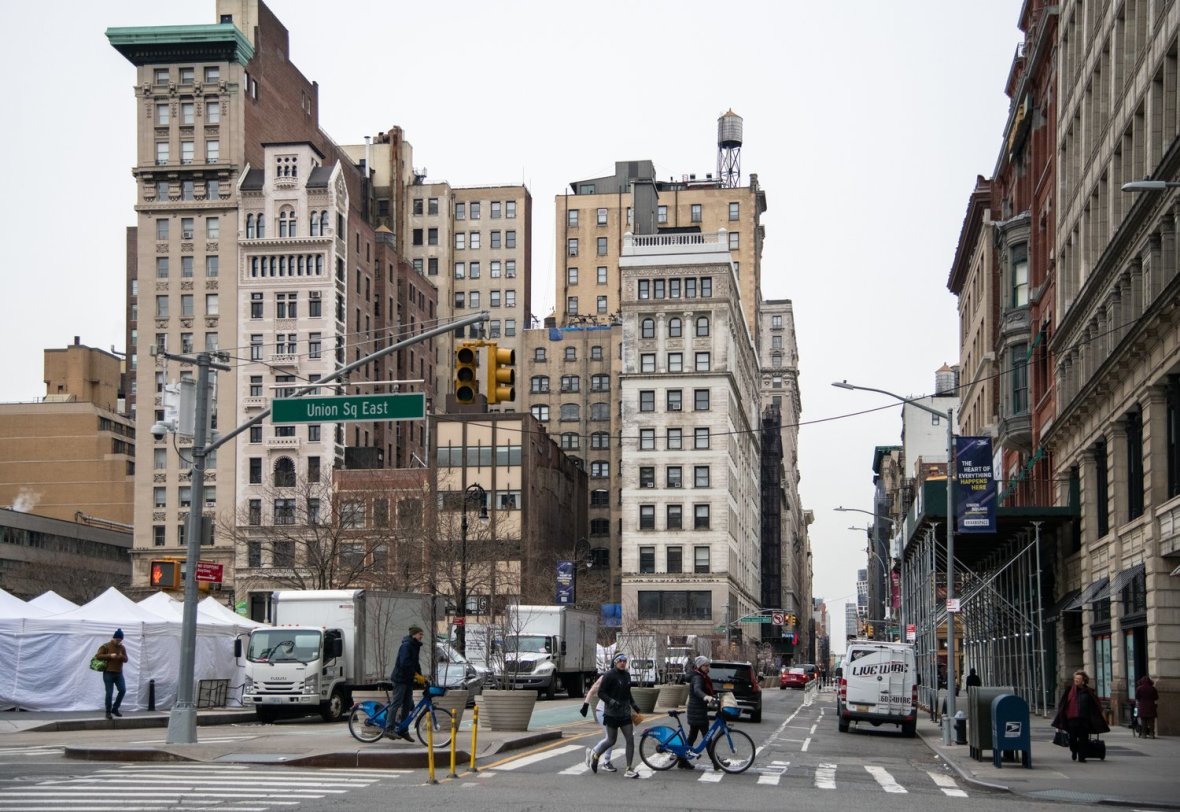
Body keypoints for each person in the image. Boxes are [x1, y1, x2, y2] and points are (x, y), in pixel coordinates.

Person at [586, 653, 640, 778]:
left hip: (625, 714)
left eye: (625, 661)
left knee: (630, 739)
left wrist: (634, 705)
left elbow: (628, 693)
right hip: (612, 714)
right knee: (611, 740)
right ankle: (596, 755)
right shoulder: (609, 675)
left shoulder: (627, 675)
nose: (623, 663)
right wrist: (611, 701)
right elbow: (601, 693)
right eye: (620, 660)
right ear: (615, 662)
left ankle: (629, 769)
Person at [1051, 670, 1110, 762]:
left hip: (1084, 719)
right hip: (1072, 719)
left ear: (1083, 680)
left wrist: (1096, 717)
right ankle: (1074, 750)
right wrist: (1061, 716)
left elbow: (1095, 705)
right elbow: (1063, 704)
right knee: (1073, 739)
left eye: (1078, 679)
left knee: (1084, 739)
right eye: (1075, 678)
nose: (1076, 680)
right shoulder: (1069, 690)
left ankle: (1082, 757)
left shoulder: (1088, 692)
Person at [384, 625, 424, 741]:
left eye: (422, 634)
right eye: (420, 634)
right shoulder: (406, 646)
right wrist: (415, 675)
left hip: (408, 680)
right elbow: (405, 663)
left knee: (407, 705)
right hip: (400, 679)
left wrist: (420, 677)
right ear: (414, 634)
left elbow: (415, 664)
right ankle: (388, 728)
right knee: (396, 703)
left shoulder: (415, 646)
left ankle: (403, 730)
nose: (421, 636)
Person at [678, 655, 718, 770]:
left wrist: (714, 697)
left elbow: (705, 690)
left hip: (697, 710)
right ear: (700, 666)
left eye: (708, 665)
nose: (707, 667)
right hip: (697, 711)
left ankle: (682, 760)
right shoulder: (698, 678)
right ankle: (715, 762)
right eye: (705, 665)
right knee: (707, 738)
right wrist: (706, 697)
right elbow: (697, 690)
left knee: (692, 736)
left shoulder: (701, 676)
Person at [579, 673, 616, 772]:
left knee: (610, 737)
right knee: (610, 737)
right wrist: (585, 706)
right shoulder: (606, 677)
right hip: (603, 711)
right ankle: (606, 761)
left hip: (613, 713)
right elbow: (593, 690)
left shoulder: (623, 677)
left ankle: (593, 752)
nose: (623, 664)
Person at [96, 629, 128, 720]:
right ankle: (108, 712)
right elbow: (98, 656)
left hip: (119, 673)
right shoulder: (106, 646)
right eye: (117, 639)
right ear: (114, 638)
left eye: (120, 640)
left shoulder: (122, 648)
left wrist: (122, 656)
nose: (119, 641)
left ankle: (115, 708)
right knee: (109, 693)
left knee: (122, 690)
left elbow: (126, 660)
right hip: (108, 673)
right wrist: (110, 656)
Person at [1135, 674, 1159, 738]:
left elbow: (1137, 697)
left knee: (1143, 721)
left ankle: (1144, 734)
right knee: (1151, 721)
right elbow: (1156, 698)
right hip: (1151, 706)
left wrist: (1137, 705)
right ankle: (1151, 734)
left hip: (1142, 706)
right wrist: (1155, 705)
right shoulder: (1153, 689)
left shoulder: (1139, 688)